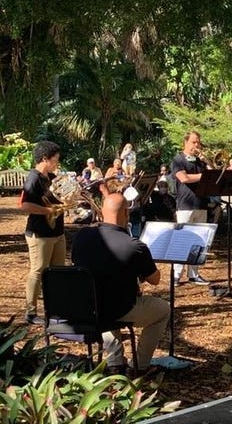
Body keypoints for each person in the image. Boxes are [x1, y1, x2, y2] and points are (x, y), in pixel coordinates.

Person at [71, 193, 169, 375]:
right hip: (120, 308)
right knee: (163, 309)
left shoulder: (81, 236)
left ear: (102, 212)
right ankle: (140, 365)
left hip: (88, 307)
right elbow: (155, 279)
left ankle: (115, 362)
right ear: (126, 213)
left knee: (103, 300)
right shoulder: (134, 245)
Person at [19, 141, 66, 325]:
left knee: (57, 272)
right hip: (40, 233)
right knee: (38, 271)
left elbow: (61, 197)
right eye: (55, 159)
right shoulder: (33, 178)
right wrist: (49, 211)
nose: (57, 163)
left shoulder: (52, 177)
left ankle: (55, 310)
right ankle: (31, 312)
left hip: (57, 232)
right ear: (45, 159)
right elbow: (24, 205)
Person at [170, 131, 211, 286]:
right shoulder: (178, 160)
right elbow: (184, 178)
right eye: (194, 142)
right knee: (182, 241)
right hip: (185, 206)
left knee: (199, 242)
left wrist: (207, 161)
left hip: (201, 204)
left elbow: (213, 174)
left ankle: (194, 274)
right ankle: (176, 275)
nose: (197, 145)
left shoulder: (200, 162)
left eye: (198, 142)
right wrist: (203, 176)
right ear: (185, 142)